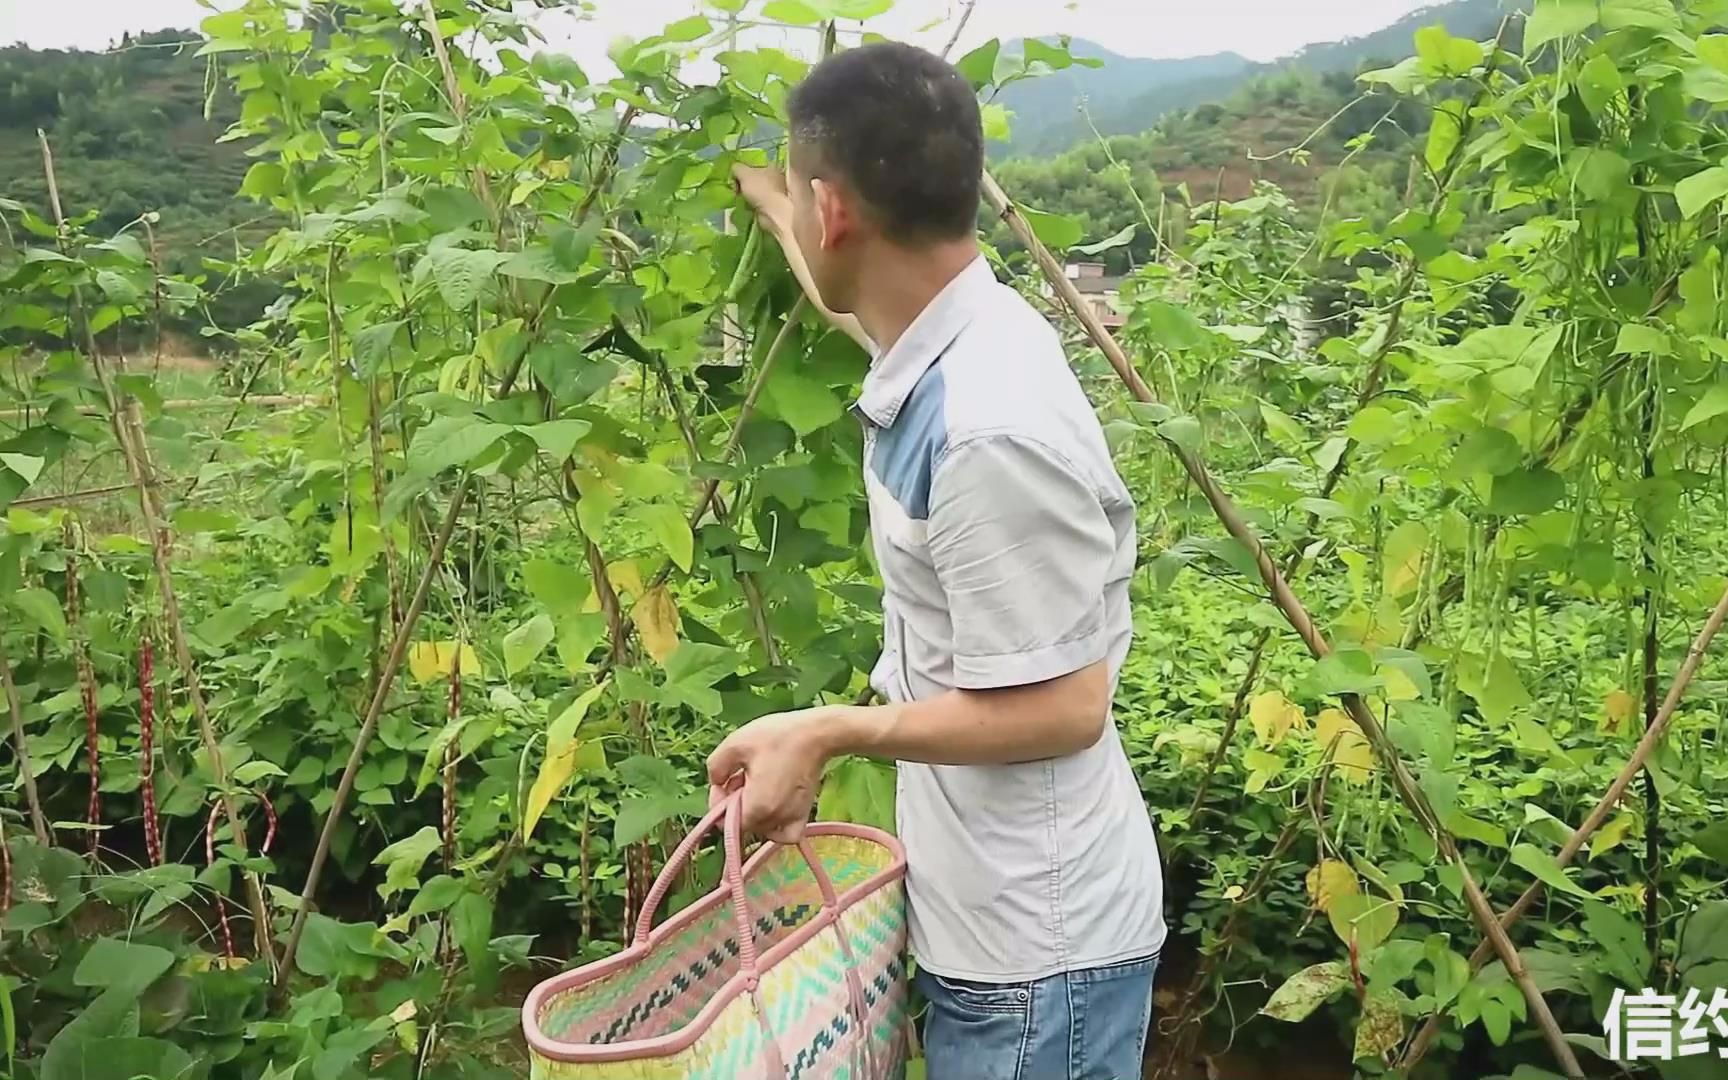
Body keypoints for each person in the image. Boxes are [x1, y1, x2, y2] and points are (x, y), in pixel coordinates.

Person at [714, 41, 1166, 1080]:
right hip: (995, 924)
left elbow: (1066, 706)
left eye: (802, 194)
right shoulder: (949, 324)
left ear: (840, 212)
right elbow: (845, 293)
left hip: (1038, 962)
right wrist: (770, 200)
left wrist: (830, 729)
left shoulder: (987, 431)